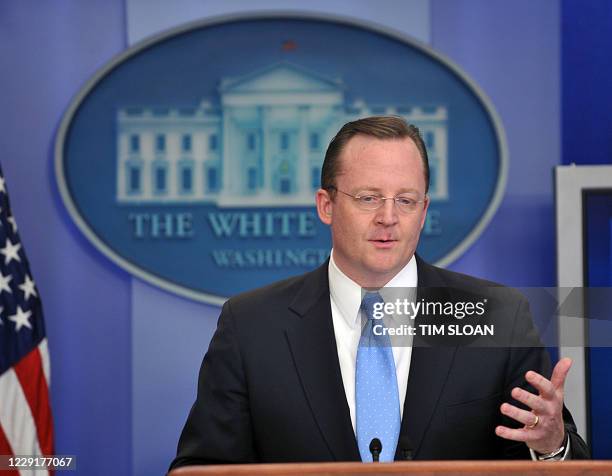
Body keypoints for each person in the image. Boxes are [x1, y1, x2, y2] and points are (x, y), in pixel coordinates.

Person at [169, 116, 589, 469]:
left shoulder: (495, 315)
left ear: (423, 212)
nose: (388, 218)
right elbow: (201, 469)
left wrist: (551, 447)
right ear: (326, 205)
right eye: (369, 198)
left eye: (405, 201)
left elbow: (561, 461)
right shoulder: (252, 327)